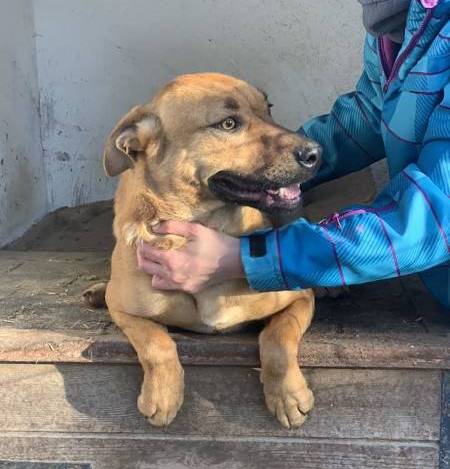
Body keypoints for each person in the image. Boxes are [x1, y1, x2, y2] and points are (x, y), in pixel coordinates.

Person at [137, 0, 450, 308]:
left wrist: (241, 258)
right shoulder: (396, 22)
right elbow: (370, 111)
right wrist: (282, 160)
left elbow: (432, 221)